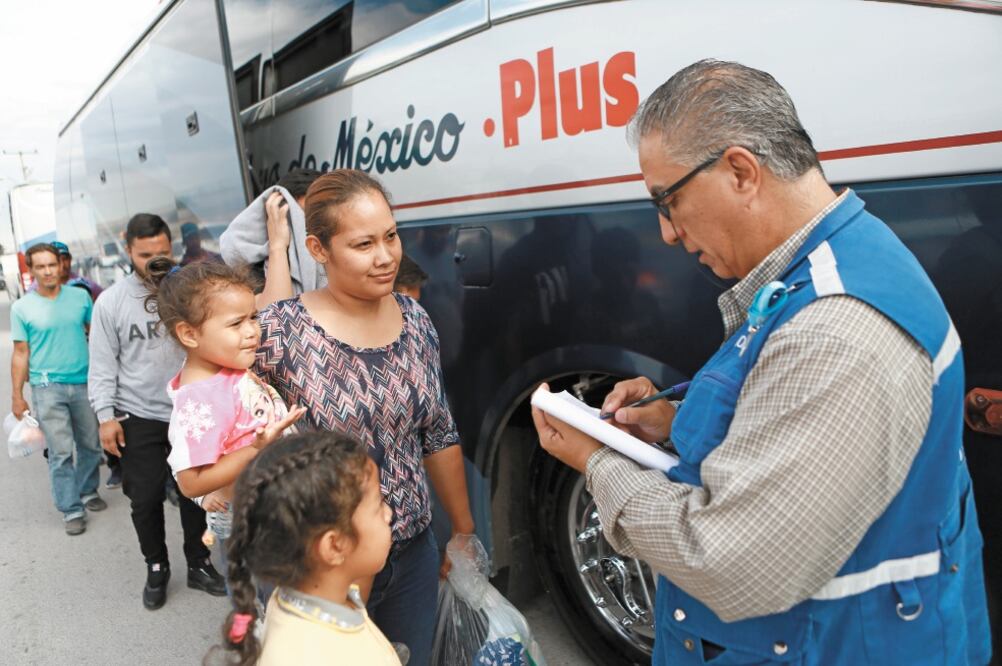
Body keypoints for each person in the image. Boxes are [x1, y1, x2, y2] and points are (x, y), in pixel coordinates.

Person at [531, 59, 992, 665]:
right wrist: (676, 416)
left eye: (666, 200)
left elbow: (732, 564)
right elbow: (782, 399)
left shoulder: (835, 331)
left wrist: (596, 462)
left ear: (741, 171)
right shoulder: (841, 261)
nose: (667, 232)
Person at [255, 169, 475, 666]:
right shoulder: (279, 333)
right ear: (317, 249)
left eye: (391, 237)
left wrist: (462, 530)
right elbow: (217, 414)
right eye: (363, 244)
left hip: (412, 556)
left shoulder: (415, 320)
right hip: (321, 565)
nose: (385, 257)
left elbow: (438, 431)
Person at [87, 214, 224, 609]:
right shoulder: (111, 302)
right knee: (144, 498)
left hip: (191, 409)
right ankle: (157, 567)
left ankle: (198, 563)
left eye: (162, 252)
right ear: (128, 250)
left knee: (194, 495)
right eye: (145, 254)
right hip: (140, 415)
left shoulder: (191, 293)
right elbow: (102, 364)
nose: (154, 260)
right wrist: (105, 416)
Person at [141, 256, 304, 557]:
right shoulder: (200, 399)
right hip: (255, 523)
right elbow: (190, 481)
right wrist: (256, 449)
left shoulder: (224, 368)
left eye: (252, 317)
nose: (253, 331)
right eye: (236, 323)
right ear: (189, 334)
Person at [210, 431, 401, 666]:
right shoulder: (340, 657)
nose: (388, 514)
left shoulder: (289, 596)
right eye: (378, 506)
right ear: (334, 545)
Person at [11, 243, 105, 535]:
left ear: (60, 265)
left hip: (84, 382)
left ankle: (88, 490)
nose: (48, 271)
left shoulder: (80, 298)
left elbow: (97, 337)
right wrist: (17, 394)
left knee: (90, 443)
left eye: (52, 264)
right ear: (31, 270)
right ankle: (71, 508)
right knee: (61, 452)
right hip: (46, 386)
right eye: (40, 266)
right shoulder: (21, 307)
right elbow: (21, 353)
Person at [220, 168, 324, 309]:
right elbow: (277, 317)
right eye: (297, 217)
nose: (303, 227)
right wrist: (278, 246)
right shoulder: (252, 270)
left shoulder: (336, 255)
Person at [27, 240, 104, 300]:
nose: (62, 264)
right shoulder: (35, 289)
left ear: (70, 259)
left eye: (65, 259)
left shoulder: (86, 284)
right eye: (58, 260)